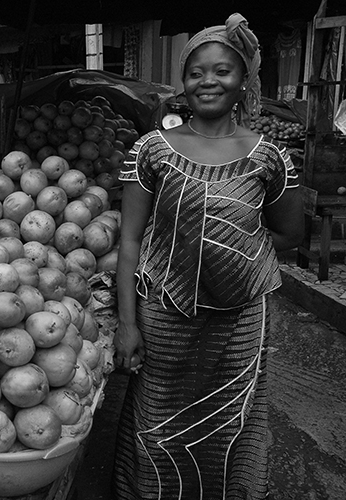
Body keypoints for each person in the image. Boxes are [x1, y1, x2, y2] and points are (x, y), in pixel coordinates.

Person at [111, 13, 304, 500]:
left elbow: (289, 234)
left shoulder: (268, 156)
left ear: (244, 81)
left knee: (232, 419)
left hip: (239, 322)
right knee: (157, 418)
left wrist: (231, 257)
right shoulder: (151, 150)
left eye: (222, 70)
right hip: (163, 316)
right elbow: (130, 241)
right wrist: (128, 324)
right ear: (183, 83)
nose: (208, 81)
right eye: (196, 72)